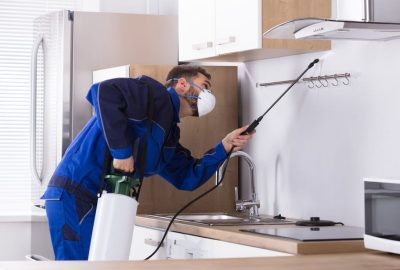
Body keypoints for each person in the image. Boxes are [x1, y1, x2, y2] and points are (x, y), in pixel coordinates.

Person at [41, 65, 255, 260]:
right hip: (75, 193)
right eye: (205, 86)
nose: (209, 95)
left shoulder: (168, 134)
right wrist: (122, 152)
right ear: (182, 84)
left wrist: (225, 146)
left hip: (104, 203)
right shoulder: (151, 95)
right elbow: (103, 91)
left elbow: (187, 177)